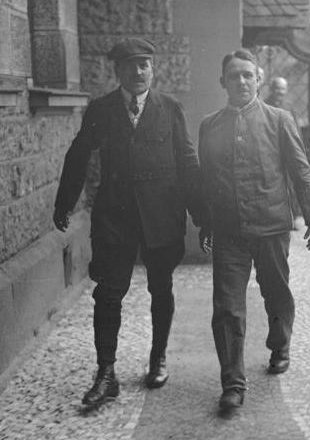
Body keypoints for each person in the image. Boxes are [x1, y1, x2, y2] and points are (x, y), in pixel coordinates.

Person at [53, 38, 208, 407]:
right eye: (130, 65)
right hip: (115, 217)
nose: (138, 72)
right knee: (108, 293)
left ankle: (158, 358)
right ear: (117, 71)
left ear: (152, 69)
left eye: (144, 65)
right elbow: (78, 156)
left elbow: (187, 163)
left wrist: (204, 218)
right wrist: (64, 204)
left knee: (161, 287)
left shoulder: (170, 108)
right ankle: (106, 373)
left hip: (161, 216)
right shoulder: (102, 109)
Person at [197, 49, 310, 410]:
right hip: (228, 230)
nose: (240, 81)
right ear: (222, 81)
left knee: (276, 292)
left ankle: (280, 342)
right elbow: (206, 180)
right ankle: (233, 384)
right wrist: (205, 221)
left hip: (271, 226)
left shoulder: (279, 120)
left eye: (247, 76)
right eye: (233, 75)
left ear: (259, 80)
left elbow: (301, 169)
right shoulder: (209, 125)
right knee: (227, 306)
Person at [263, 76, 305, 230]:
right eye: (277, 88)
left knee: (291, 185)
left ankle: (294, 216)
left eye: (282, 89)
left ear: (286, 90)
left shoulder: (288, 107)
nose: (279, 92)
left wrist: (298, 149)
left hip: (287, 152)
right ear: (271, 89)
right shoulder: (264, 106)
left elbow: (296, 131)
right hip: (269, 154)